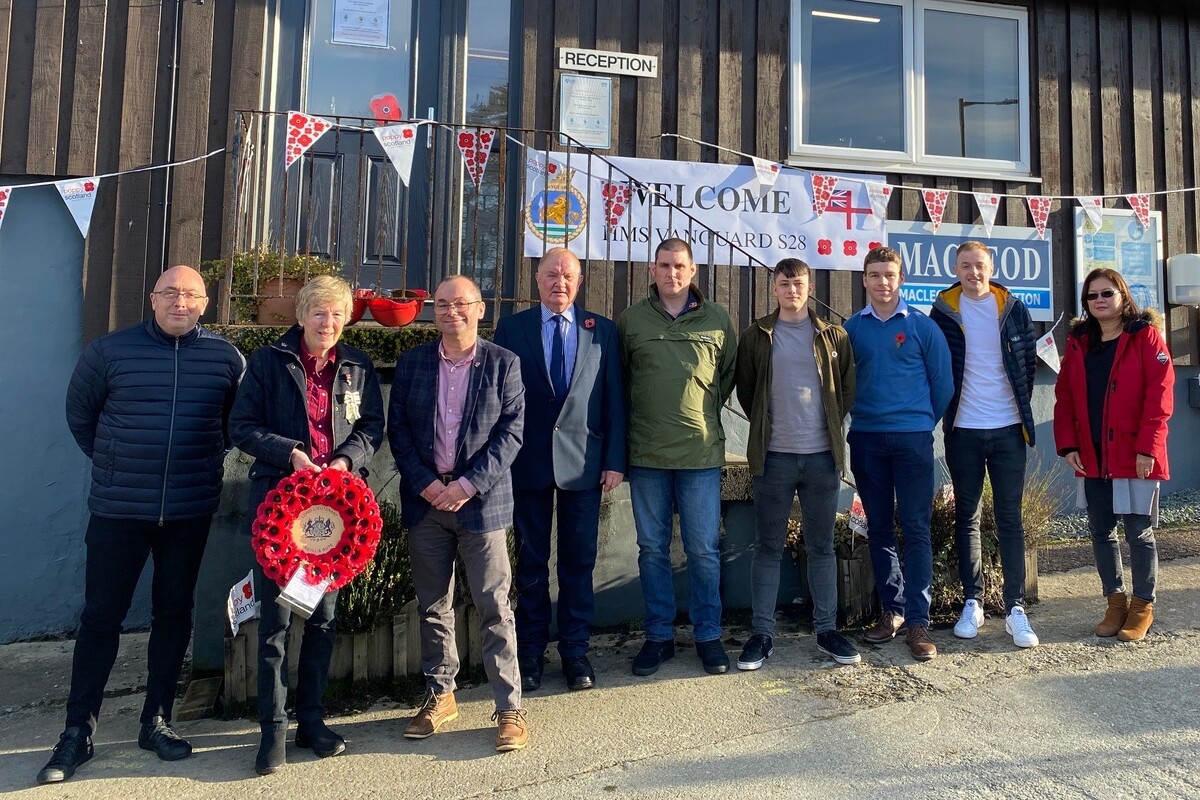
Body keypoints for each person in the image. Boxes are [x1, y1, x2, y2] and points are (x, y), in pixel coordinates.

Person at [42, 265, 244, 785]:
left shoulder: (225, 359)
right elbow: (80, 417)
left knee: (173, 615)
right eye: (169, 292)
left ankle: (156, 721)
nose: (180, 301)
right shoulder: (109, 353)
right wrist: (114, 466)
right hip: (118, 510)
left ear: (205, 303)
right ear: (152, 300)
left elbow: (233, 425)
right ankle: (76, 732)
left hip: (188, 509)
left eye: (190, 294)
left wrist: (201, 466)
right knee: (101, 617)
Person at [229, 275, 385, 775]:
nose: (329, 323)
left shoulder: (356, 365)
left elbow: (370, 428)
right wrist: (290, 453)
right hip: (281, 512)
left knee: (321, 621)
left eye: (338, 314)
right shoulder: (269, 360)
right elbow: (242, 427)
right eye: (320, 313)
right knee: (275, 626)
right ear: (301, 316)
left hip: (333, 518)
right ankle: (271, 731)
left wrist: (344, 461)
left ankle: (311, 722)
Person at [388, 275, 529, 751]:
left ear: (480, 309)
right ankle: (440, 694)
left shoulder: (504, 364)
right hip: (427, 503)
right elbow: (400, 432)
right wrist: (427, 484)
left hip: (482, 505)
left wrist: (468, 485)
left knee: (494, 607)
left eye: (461, 304)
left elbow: (510, 435)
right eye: (443, 304)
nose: (452, 312)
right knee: (433, 606)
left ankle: (509, 708)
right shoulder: (412, 364)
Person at [492, 248, 626, 692]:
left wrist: (614, 462)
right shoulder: (512, 328)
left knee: (578, 561)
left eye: (568, 276)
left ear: (580, 281)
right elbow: (496, 400)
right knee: (530, 561)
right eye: (551, 275)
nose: (559, 283)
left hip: (584, 465)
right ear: (536, 280)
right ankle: (528, 654)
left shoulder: (601, 331)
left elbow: (614, 401)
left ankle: (575, 652)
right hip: (526, 464)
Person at [617, 238, 737, 677]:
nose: (672, 273)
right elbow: (623, 380)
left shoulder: (718, 320)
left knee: (703, 550)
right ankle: (659, 636)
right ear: (654, 269)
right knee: (652, 550)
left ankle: (708, 635)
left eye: (680, 266)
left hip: (700, 454)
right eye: (665, 265)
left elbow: (726, 377)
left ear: (693, 271)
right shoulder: (631, 320)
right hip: (646, 453)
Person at [735, 258, 859, 668]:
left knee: (822, 546)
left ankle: (827, 630)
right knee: (767, 547)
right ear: (774, 288)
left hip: (822, 459)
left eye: (799, 283)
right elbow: (747, 390)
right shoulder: (758, 336)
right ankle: (762, 634)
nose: (792, 290)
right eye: (785, 284)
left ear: (809, 287)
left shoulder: (833, 336)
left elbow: (845, 391)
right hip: (774, 459)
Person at [1053, 268, 1174, 643]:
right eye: (1092, 296)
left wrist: (1147, 449)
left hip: (1134, 454)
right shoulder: (1079, 343)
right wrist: (1069, 445)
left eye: (1107, 293)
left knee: (1138, 531)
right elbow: (1065, 398)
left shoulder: (1145, 337)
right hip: (1092, 455)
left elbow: (1161, 397)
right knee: (1100, 531)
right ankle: (1115, 602)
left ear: (1122, 295)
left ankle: (1142, 606)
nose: (1100, 300)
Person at [930, 241, 1040, 648]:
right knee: (968, 517)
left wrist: (1015, 408)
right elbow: (936, 367)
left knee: (1010, 518)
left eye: (979, 265)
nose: (973, 272)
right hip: (964, 431)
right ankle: (972, 601)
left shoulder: (1012, 308)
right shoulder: (943, 312)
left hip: (1009, 429)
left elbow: (1027, 365)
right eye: (965, 266)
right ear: (956, 269)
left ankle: (1015, 608)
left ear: (990, 268)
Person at [845, 246, 953, 662]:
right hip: (867, 439)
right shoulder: (852, 328)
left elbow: (942, 385)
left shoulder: (923, 328)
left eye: (889, 275)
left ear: (901, 279)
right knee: (879, 529)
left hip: (912, 440)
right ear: (865, 280)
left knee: (917, 528)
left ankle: (918, 620)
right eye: (875, 275)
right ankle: (892, 611)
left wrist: (920, 421)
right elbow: (842, 382)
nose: (882, 282)